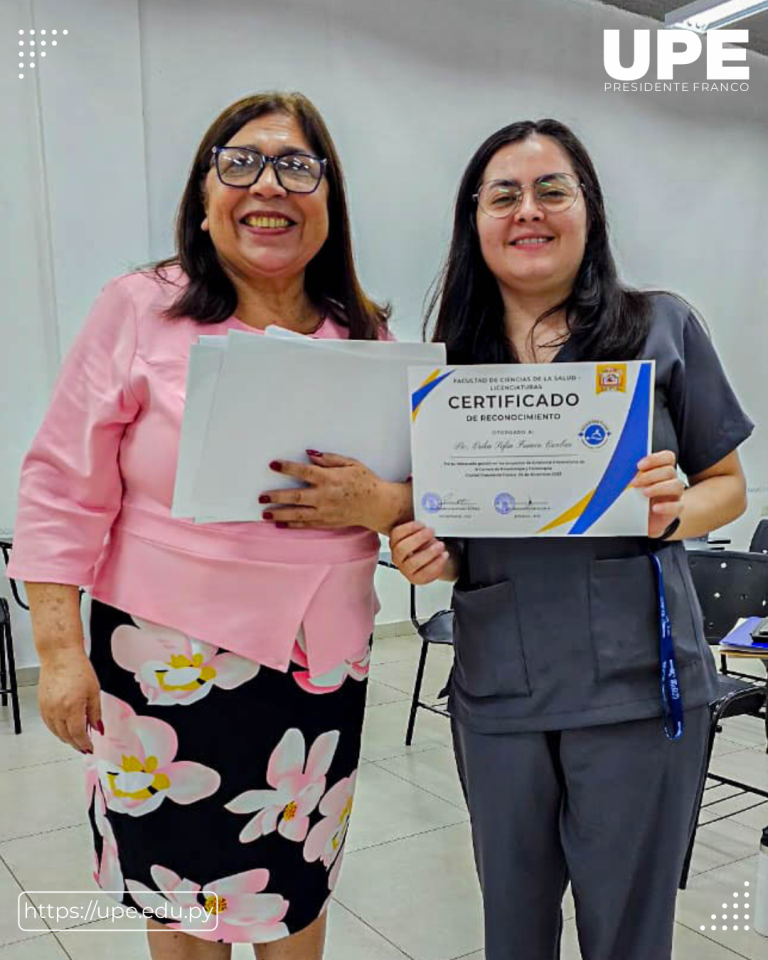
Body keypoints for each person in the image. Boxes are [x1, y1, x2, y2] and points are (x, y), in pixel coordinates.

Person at [8, 91, 413, 960]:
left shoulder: (366, 333)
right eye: (241, 163)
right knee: (185, 905)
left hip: (317, 669)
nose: (269, 185)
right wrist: (58, 652)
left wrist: (386, 505)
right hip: (165, 669)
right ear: (203, 193)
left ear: (330, 201)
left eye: (298, 166)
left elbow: (414, 494)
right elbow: (59, 486)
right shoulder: (141, 307)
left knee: (293, 887)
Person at [388, 119, 752, 960]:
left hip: (639, 685)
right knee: (512, 934)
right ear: (472, 220)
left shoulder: (661, 327)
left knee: (628, 935)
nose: (529, 210)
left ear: (588, 210)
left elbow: (726, 487)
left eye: (553, 188)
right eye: (503, 194)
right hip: (498, 687)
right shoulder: (446, 368)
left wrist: (674, 511)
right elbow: (445, 533)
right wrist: (426, 554)